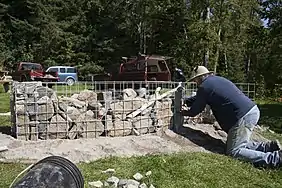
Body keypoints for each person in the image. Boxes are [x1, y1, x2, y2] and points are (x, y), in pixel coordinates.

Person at [181, 65, 282, 168]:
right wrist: (186, 101)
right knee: (237, 143)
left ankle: (275, 159)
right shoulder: (216, 80)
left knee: (234, 151)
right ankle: (269, 147)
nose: (195, 82)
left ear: (200, 77)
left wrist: (184, 112)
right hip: (251, 111)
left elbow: (196, 109)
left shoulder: (204, 87)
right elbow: (200, 97)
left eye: (195, 80)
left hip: (242, 116)